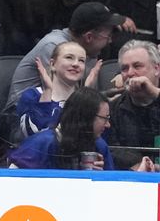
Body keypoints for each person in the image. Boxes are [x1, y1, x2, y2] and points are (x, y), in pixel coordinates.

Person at [4, 2, 123, 117]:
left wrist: (107, 97)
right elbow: (62, 98)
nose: (110, 41)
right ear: (89, 37)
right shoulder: (55, 47)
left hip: (60, 110)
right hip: (22, 115)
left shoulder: (89, 51)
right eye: (109, 36)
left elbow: (80, 98)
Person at [9, 87, 120, 170]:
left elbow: (112, 190)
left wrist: (102, 179)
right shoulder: (41, 143)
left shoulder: (100, 146)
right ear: (86, 117)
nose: (108, 125)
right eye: (104, 118)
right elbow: (10, 181)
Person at [15, 41, 98, 140]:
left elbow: (94, 139)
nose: (76, 64)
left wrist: (85, 98)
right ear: (52, 63)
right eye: (69, 57)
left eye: (81, 60)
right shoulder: (32, 96)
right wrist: (47, 91)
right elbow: (35, 135)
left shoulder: (91, 101)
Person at [107, 40, 160, 170]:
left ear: (156, 69)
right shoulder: (113, 109)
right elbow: (113, 150)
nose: (130, 73)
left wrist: (154, 93)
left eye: (137, 66)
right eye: (125, 68)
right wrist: (139, 165)